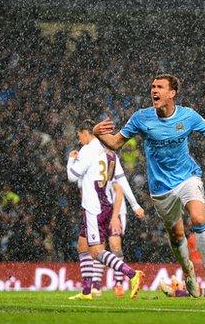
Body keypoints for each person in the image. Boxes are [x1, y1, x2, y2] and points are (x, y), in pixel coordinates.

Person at [93, 74, 205, 297]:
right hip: (160, 187)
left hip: (187, 177)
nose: (154, 90)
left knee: (199, 218)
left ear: (172, 93)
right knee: (176, 235)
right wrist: (98, 134)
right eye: (152, 87)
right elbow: (114, 143)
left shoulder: (188, 116)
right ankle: (188, 271)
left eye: (160, 87)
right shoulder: (141, 118)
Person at [67, 120, 144, 300]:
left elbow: (72, 177)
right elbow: (122, 181)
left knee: (96, 252)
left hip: (94, 208)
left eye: (79, 136)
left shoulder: (87, 150)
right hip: (105, 205)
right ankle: (87, 291)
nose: (79, 140)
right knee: (82, 245)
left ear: (86, 133)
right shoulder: (111, 154)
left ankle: (133, 274)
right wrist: (135, 205)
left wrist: (71, 158)